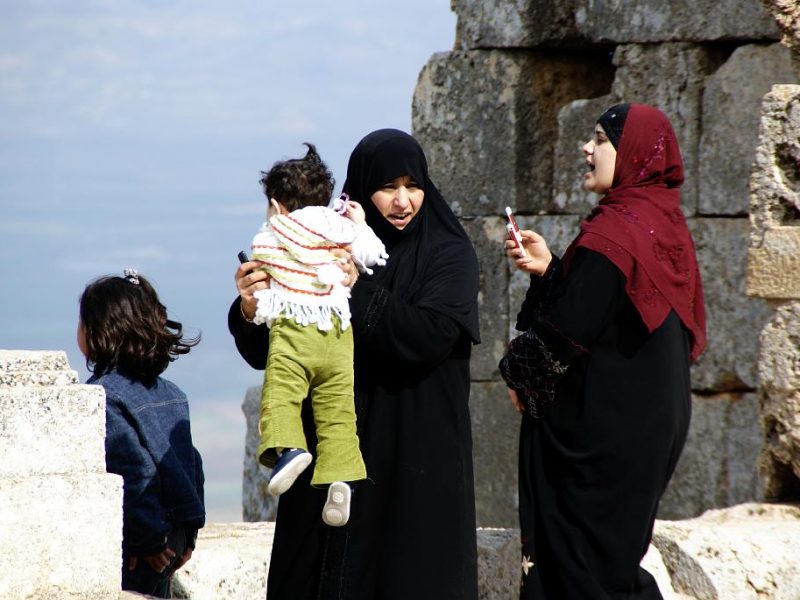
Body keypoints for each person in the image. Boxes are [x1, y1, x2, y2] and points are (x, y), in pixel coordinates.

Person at [229, 129, 481, 599]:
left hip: (412, 457)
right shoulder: (327, 244)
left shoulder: (449, 255)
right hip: (328, 462)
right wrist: (251, 306)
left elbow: (430, 335)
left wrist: (356, 291)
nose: (402, 201)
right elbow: (275, 350)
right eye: (387, 187)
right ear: (363, 191)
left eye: (413, 186)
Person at [499, 103, 706, 599]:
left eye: (599, 139)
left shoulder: (615, 233)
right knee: (609, 566)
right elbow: (607, 313)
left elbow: (567, 328)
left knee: (580, 572)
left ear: (631, 152)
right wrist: (551, 270)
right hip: (649, 430)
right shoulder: (661, 224)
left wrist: (519, 375)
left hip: (604, 438)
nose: (586, 148)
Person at [248, 143, 387, 527]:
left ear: (275, 204)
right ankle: (341, 477)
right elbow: (372, 254)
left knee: (281, 394)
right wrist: (360, 224)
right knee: (338, 411)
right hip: (338, 334)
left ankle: (289, 450)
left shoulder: (275, 230)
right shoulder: (340, 228)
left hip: (296, 330)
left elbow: (263, 270)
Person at [77, 268, 205, 598]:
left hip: (141, 544)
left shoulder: (102, 396)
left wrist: (148, 541)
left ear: (99, 331)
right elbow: (193, 464)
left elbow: (134, 473)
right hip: (175, 536)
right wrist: (188, 535)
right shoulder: (173, 394)